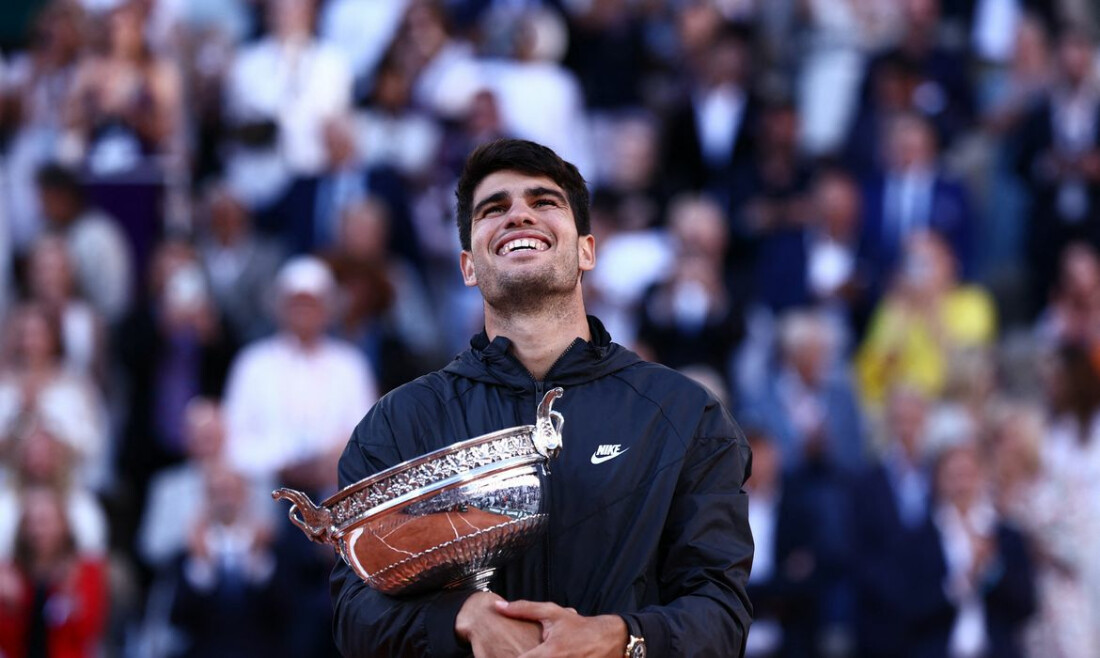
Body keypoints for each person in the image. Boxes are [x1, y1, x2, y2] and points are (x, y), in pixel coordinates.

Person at [330, 138, 753, 657]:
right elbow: (354, 613)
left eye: (544, 201)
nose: (518, 215)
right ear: (467, 265)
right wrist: (460, 618)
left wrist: (619, 637)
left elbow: (720, 613)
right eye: (494, 209)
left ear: (586, 250)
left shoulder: (684, 413)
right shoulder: (399, 422)